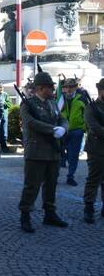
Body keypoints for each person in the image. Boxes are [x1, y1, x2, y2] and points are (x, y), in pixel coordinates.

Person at [18, 72, 69, 233]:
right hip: (36, 152)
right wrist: (52, 129)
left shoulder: (52, 103)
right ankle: (25, 215)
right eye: (50, 87)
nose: (53, 90)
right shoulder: (27, 104)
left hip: (53, 151)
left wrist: (63, 128)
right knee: (32, 185)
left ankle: (50, 213)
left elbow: (62, 119)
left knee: (51, 184)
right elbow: (31, 123)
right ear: (41, 88)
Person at [83, 78, 104, 223]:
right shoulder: (91, 107)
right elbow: (94, 127)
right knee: (94, 179)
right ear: (100, 90)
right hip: (96, 148)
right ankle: (89, 208)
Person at [60, 78, 87, 186]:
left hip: (76, 131)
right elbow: (57, 111)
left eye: (71, 87)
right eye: (66, 87)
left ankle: (70, 176)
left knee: (73, 155)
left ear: (75, 87)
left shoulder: (82, 99)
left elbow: (87, 115)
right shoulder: (62, 99)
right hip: (64, 130)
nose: (68, 89)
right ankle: (54, 176)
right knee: (59, 153)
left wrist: (83, 128)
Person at [0, 82, 12, 152]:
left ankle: (4, 146)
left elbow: (9, 104)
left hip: (4, 115)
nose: (1, 89)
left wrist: (4, 103)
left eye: (2, 87)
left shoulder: (5, 94)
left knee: (4, 131)